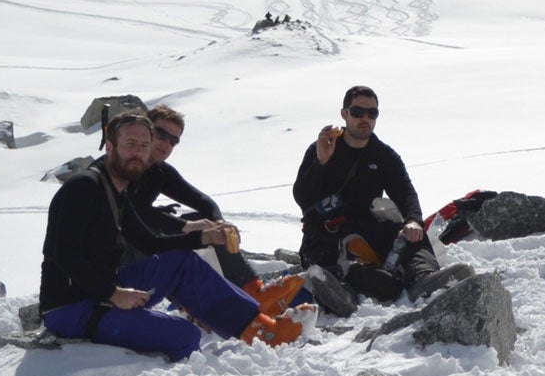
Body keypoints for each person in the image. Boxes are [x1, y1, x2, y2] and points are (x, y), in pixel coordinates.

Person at [39, 110, 302, 357]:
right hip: (72, 308)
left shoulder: (116, 188)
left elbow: (149, 242)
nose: (139, 153)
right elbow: (63, 254)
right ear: (109, 147)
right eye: (131, 144)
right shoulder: (85, 186)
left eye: (144, 146)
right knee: (185, 336)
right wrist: (113, 294)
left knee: (181, 262)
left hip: (103, 290)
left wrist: (203, 238)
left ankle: (262, 329)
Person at [134, 104, 302, 317]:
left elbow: (203, 202)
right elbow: (130, 210)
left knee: (209, 225)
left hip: (142, 242)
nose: (166, 144)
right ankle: (207, 306)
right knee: (192, 235)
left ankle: (251, 291)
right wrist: (186, 226)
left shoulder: (158, 171)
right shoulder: (123, 165)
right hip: (119, 256)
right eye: (161, 134)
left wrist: (219, 223)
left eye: (173, 140)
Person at [292, 86, 442, 303]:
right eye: (357, 112)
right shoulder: (322, 148)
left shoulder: (383, 155)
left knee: (413, 237)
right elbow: (302, 197)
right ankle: (342, 291)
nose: (365, 119)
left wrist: (413, 221)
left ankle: (424, 279)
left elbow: (405, 192)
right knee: (334, 261)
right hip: (325, 232)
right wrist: (321, 162)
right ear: (344, 114)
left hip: (367, 229)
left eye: (372, 113)